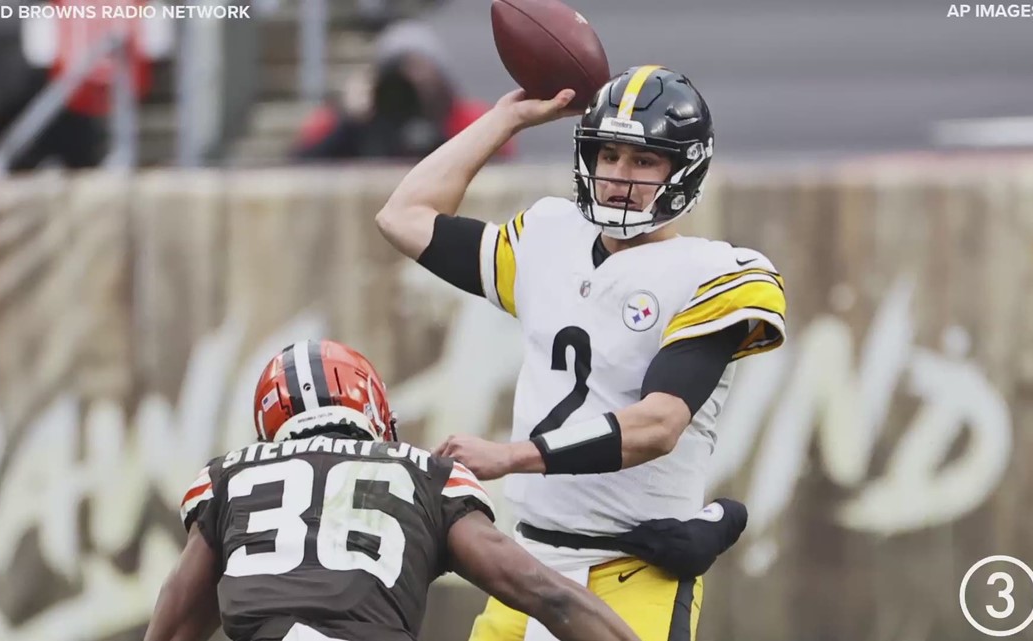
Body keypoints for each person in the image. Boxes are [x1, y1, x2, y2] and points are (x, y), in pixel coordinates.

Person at [374, 65, 787, 641]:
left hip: (634, 572)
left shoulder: (715, 273)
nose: (619, 177)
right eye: (609, 155)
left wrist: (512, 456)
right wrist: (505, 119)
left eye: (644, 161)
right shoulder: (549, 235)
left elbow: (659, 424)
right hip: (526, 568)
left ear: (683, 169)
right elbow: (404, 216)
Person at [143, 339, 642, 641]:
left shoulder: (230, 477)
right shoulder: (425, 473)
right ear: (375, 410)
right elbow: (549, 594)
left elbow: (172, 628)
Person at [290, 20, 514, 162]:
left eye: (417, 66)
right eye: (399, 67)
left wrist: (436, 135)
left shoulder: (468, 117)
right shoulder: (354, 117)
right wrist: (348, 122)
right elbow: (299, 163)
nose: (409, 78)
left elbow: (501, 161)